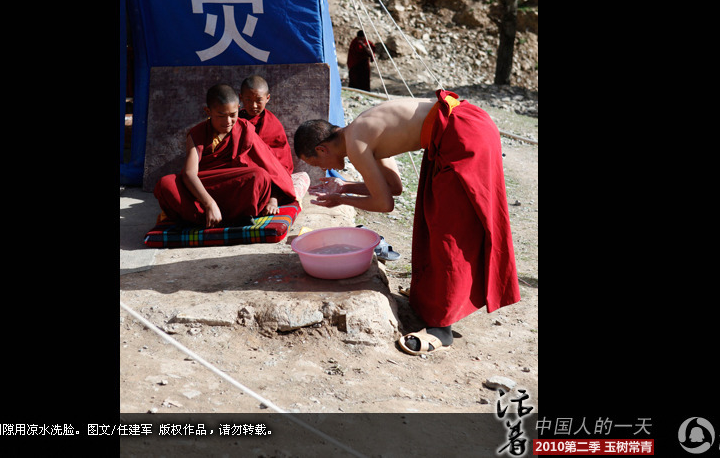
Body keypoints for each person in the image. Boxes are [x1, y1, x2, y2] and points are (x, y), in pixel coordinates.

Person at [294, 90, 520, 355]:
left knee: (447, 232)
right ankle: (431, 303)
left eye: (316, 162)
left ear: (322, 149)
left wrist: (342, 200)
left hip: (461, 136)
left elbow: (384, 204)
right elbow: (394, 187)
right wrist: (344, 188)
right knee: (432, 222)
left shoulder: (356, 145)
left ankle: (442, 327)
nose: (322, 169)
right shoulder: (357, 130)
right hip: (465, 126)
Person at [154, 83, 296, 228]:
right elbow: (190, 173)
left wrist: (273, 199)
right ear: (208, 111)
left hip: (234, 188)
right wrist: (209, 203)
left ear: (238, 109)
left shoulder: (245, 129)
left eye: (232, 115)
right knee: (166, 184)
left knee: (259, 175)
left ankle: (203, 219)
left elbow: (273, 169)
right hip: (205, 187)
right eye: (221, 116)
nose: (228, 122)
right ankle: (226, 216)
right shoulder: (197, 133)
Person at [239, 75, 294, 173]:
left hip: (267, 170)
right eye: (248, 100)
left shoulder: (272, 124)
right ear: (241, 98)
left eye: (259, 100)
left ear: (267, 98)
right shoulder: (236, 120)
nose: (254, 105)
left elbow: (282, 159)